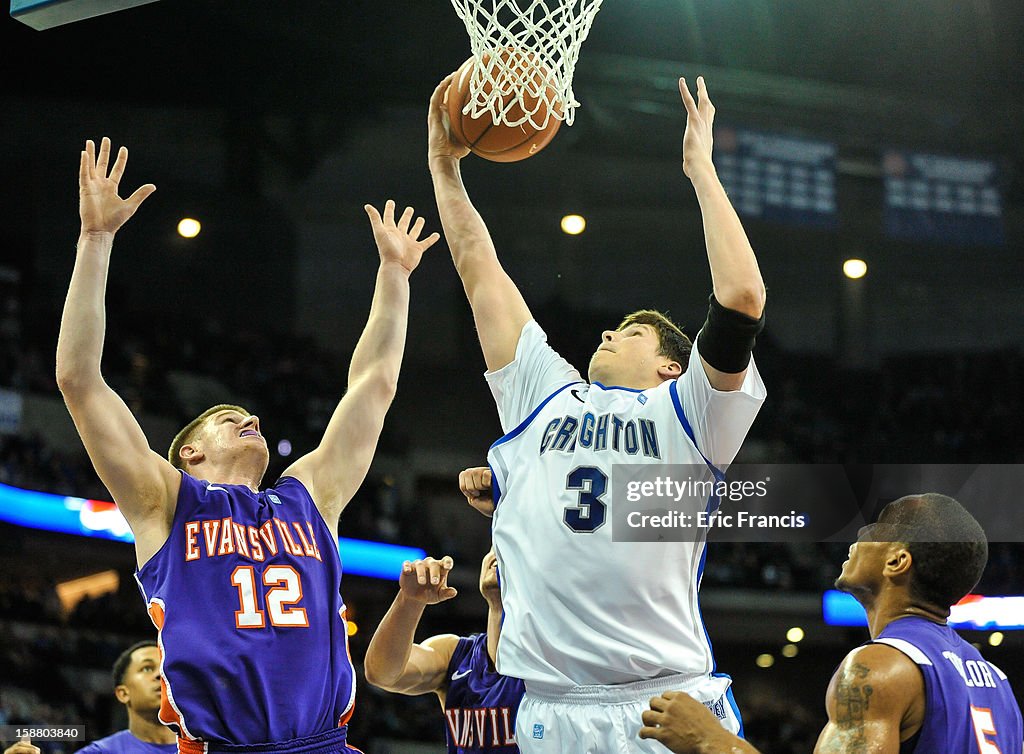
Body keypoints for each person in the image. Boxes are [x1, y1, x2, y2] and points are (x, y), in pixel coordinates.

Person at [56, 138, 439, 753]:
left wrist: (395, 276)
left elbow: (376, 384)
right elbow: (79, 380)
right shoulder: (164, 501)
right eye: (229, 418)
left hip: (325, 744)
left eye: (249, 414)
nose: (250, 418)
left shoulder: (310, 496)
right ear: (190, 453)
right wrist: (95, 240)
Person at [428, 74, 767, 752]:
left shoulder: (693, 410)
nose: (608, 335)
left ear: (673, 364)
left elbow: (741, 297)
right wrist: (443, 167)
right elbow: (478, 268)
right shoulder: (542, 392)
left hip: (664, 702)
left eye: (631, 332)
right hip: (551, 707)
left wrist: (700, 169)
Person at [639, 493, 1024, 754]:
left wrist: (710, 740)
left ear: (897, 562)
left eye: (877, 528)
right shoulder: (999, 683)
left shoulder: (877, 668)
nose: (859, 534)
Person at [364, 546, 524, 753]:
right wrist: (409, 601)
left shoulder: (556, 658)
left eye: (512, 545)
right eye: (495, 544)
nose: (499, 552)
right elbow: (382, 674)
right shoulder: (453, 654)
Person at [77, 641, 177, 754]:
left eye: (166, 668)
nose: (161, 674)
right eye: (147, 668)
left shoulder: (200, 746)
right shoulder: (99, 752)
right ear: (123, 694)